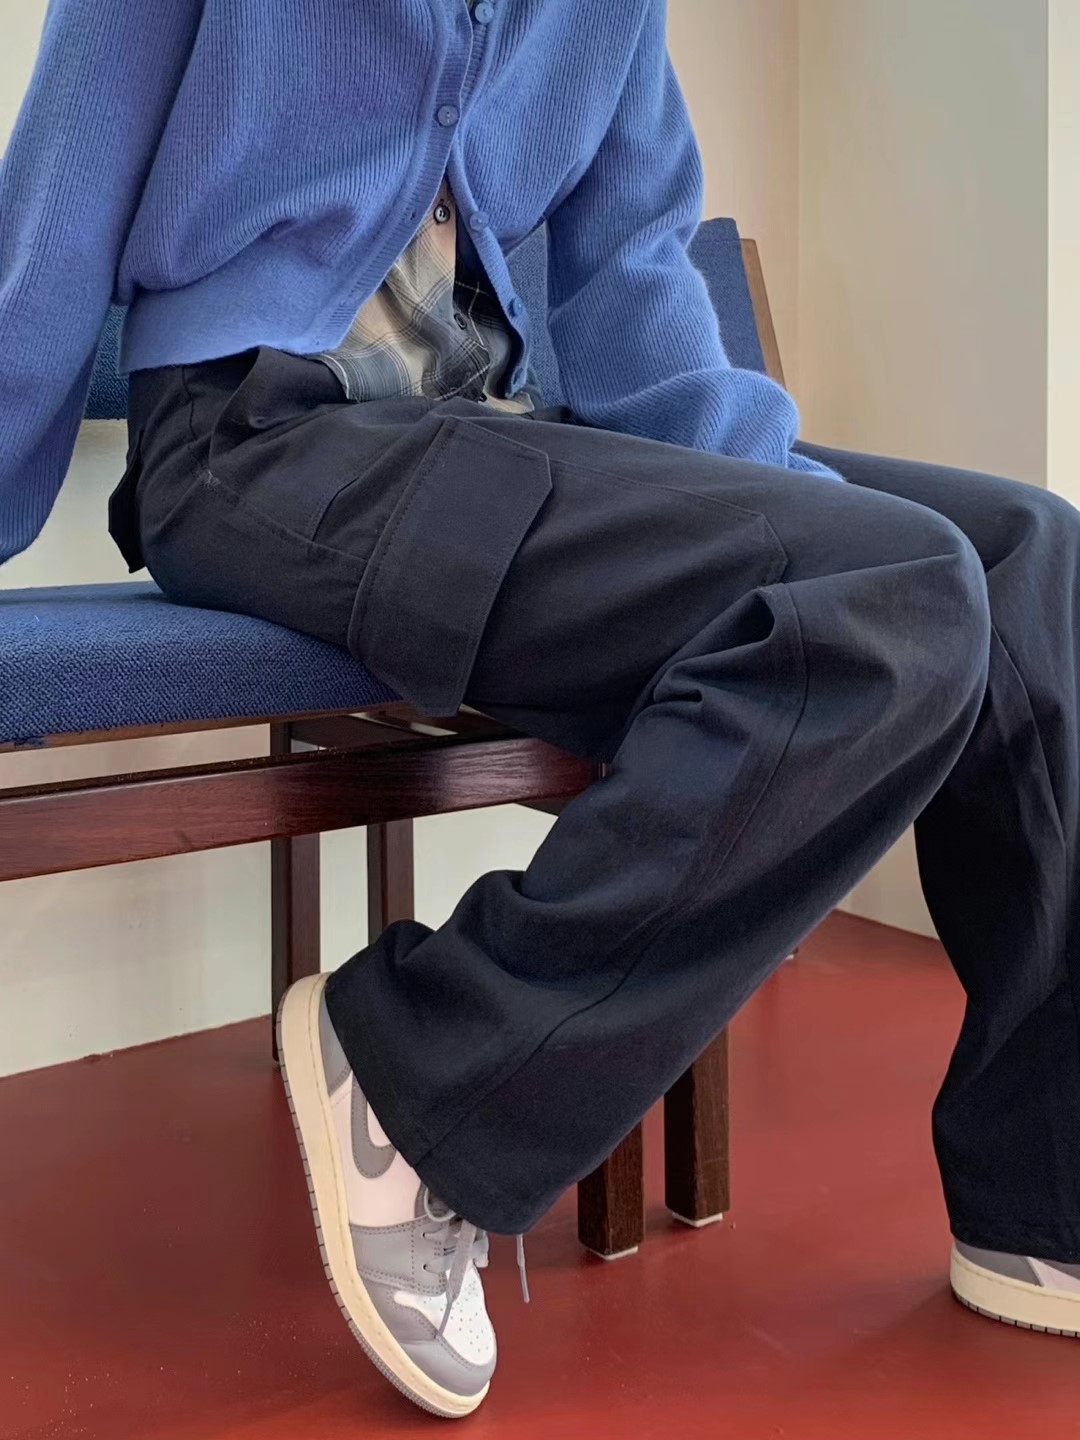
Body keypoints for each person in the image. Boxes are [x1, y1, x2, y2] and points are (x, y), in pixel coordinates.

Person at [3, 0, 1080, 1419]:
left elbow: (630, 270)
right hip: (254, 445)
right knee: (901, 589)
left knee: (1027, 554)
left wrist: (791, 508)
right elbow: (58, 200)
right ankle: (421, 1076)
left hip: (494, 432)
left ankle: (1041, 1198)